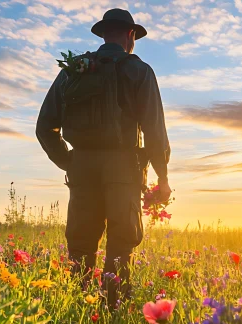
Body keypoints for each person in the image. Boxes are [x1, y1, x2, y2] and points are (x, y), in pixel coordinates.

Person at [36, 8, 172, 302]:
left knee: (81, 245)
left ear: (102, 34)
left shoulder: (73, 71)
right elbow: (154, 130)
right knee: (122, 244)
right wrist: (162, 176)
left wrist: (69, 160)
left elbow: (45, 128)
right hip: (123, 167)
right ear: (131, 35)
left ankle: (77, 311)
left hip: (82, 166)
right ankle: (114, 310)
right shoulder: (140, 71)